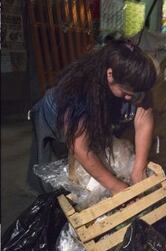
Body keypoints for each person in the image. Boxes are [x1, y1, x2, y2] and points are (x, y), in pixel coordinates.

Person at [27, 39, 157, 195]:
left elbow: (144, 117)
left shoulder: (136, 79)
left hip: (92, 112)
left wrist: (138, 168)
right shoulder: (81, 91)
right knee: (55, 178)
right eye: (127, 94)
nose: (131, 99)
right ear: (110, 75)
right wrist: (117, 186)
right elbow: (81, 149)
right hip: (55, 115)